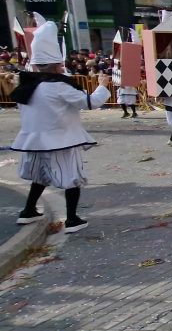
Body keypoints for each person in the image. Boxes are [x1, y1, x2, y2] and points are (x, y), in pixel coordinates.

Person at [10, 15, 111, 233]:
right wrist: (103, 85)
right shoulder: (57, 86)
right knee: (70, 179)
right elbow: (90, 102)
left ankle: (28, 211)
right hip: (60, 139)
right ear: (57, 65)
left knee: (40, 177)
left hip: (35, 140)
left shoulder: (26, 86)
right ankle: (72, 219)